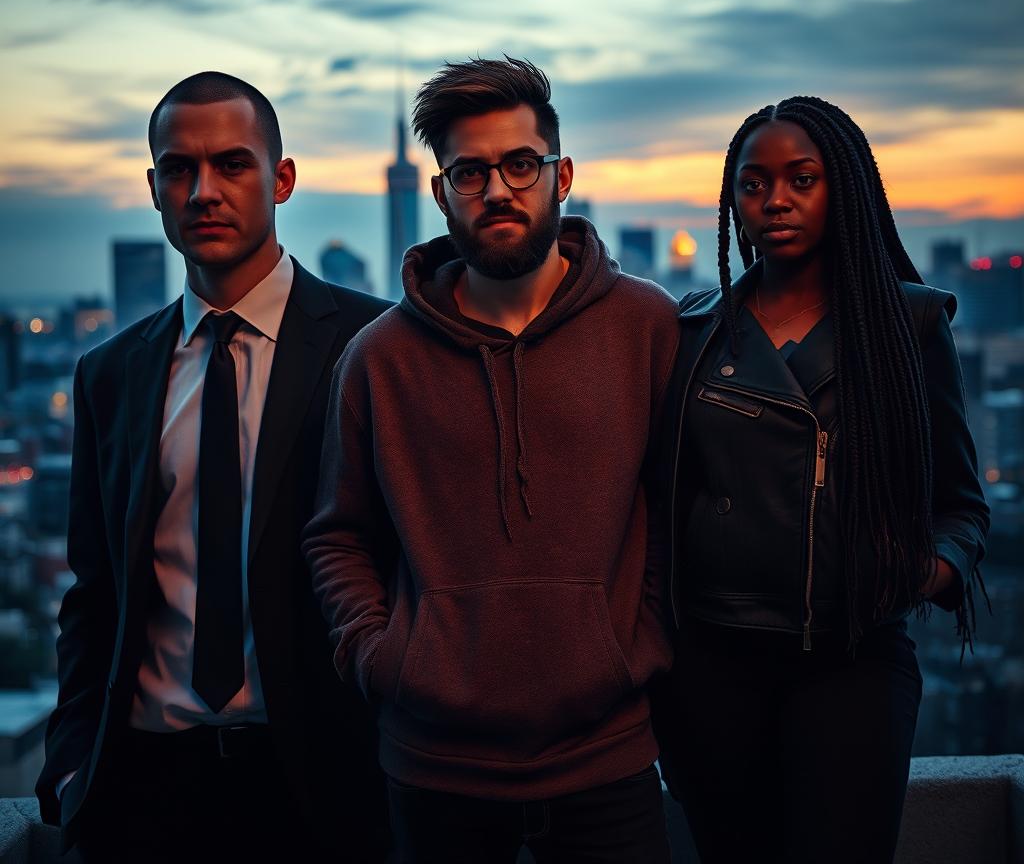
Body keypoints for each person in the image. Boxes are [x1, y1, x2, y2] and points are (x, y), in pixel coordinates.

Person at [303, 56, 680, 863]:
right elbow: (337, 534)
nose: (498, 190)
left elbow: (680, 507)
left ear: (562, 174)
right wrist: (385, 660)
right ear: (440, 194)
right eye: (469, 173)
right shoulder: (379, 358)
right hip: (435, 771)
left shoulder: (647, 327)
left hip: (607, 760)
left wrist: (635, 646)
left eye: (520, 165)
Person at [36, 72, 391, 862]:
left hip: (323, 786)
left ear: (282, 179)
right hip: (144, 786)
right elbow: (94, 593)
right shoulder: (110, 373)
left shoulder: (373, 347)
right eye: (179, 169)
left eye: (233, 164)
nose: (204, 191)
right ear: (155, 188)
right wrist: (71, 764)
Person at [654, 96, 990, 864]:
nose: (775, 200)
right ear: (731, 202)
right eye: (753, 183)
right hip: (711, 665)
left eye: (801, 179)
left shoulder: (908, 326)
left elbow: (963, 504)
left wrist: (927, 569)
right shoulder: (695, 332)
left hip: (853, 662)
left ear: (843, 188)